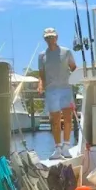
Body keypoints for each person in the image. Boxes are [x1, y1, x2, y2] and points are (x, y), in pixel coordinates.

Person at [38, 27, 77, 160]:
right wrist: (40, 85)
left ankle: (66, 147)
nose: (50, 39)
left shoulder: (66, 52)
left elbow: (74, 68)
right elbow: (41, 74)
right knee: (54, 120)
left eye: (52, 37)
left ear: (57, 37)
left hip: (66, 88)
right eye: (47, 37)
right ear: (45, 39)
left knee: (67, 118)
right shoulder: (42, 55)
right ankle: (58, 148)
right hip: (51, 90)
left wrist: (78, 80)